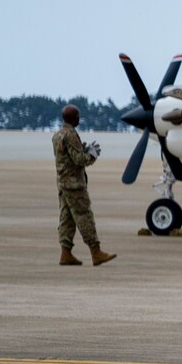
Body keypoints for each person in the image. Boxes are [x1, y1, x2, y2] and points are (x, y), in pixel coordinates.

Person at [52, 103, 115, 266]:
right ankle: (96, 252)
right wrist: (92, 155)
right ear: (73, 118)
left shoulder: (57, 135)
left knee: (67, 218)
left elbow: (67, 156)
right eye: (78, 116)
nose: (79, 119)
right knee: (84, 216)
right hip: (74, 185)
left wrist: (83, 149)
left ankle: (65, 253)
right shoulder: (71, 134)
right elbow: (79, 160)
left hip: (62, 183)